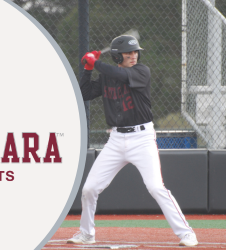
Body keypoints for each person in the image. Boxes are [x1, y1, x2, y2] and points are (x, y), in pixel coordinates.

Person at [69, 35, 197, 246]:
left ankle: (186, 233)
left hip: (142, 138)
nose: (133, 56)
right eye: (128, 53)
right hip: (116, 140)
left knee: (156, 187)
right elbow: (83, 92)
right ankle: (86, 233)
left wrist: (96, 62)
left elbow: (120, 74)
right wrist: (88, 69)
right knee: (89, 188)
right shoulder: (107, 76)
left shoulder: (141, 71)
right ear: (118, 56)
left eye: (135, 52)